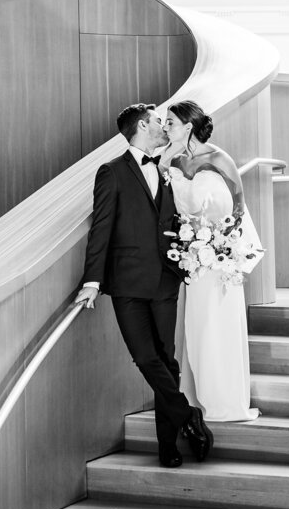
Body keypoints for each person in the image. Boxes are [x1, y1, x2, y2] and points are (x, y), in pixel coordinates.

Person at [74, 103, 214, 468]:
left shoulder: (169, 167)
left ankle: (167, 447)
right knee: (145, 357)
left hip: (166, 279)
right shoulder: (112, 172)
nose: (164, 126)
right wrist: (92, 280)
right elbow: (101, 227)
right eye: (157, 121)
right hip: (127, 283)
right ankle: (188, 416)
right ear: (142, 125)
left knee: (167, 361)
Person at [159, 100, 262, 422]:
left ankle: (225, 401)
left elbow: (237, 208)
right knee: (196, 326)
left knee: (217, 325)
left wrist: (220, 246)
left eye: (171, 122)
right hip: (193, 260)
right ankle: (196, 396)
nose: (165, 127)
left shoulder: (219, 159)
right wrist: (165, 162)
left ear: (188, 126)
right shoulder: (174, 159)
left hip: (218, 261)